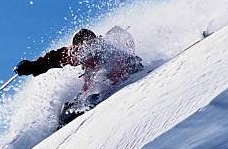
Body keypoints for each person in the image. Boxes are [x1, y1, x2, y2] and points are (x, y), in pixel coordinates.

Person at [15, 26, 143, 127]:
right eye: (80, 47)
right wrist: (32, 66)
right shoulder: (77, 54)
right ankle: (70, 115)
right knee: (73, 106)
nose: (85, 49)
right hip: (99, 85)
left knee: (93, 90)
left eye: (88, 43)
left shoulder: (104, 47)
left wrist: (131, 64)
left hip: (122, 75)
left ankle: (84, 104)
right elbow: (54, 58)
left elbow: (120, 61)